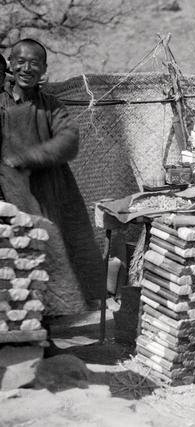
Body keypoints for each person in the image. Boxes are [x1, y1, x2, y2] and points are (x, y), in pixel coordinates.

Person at [0, 39, 105, 310]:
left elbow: (68, 140)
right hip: (6, 196)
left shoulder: (52, 106)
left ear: (44, 69)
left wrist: (28, 158)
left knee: (43, 260)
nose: (27, 68)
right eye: (20, 62)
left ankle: (42, 332)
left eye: (34, 63)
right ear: (10, 64)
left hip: (46, 194)